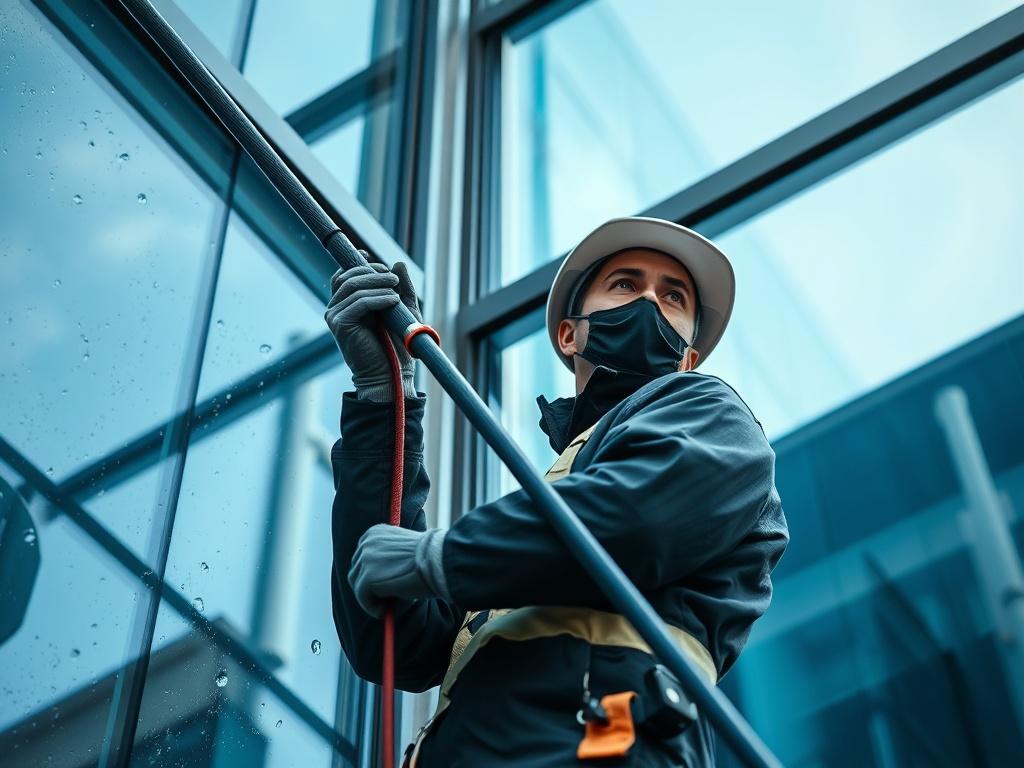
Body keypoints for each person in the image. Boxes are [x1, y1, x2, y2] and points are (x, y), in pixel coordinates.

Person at [324, 216, 789, 767]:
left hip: (601, 742)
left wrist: (440, 555)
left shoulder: (715, 417)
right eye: (625, 284)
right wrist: (386, 400)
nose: (648, 301)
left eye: (673, 297)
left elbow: (632, 521)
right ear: (571, 334)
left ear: (688, 358)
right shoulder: (546, 503)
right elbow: (395, 640)